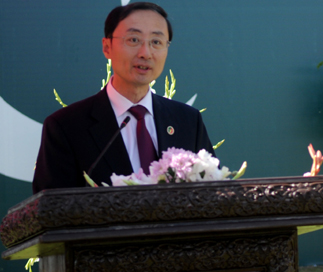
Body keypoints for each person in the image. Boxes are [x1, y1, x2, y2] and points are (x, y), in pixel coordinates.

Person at [32, 2, 215, 193]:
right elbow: (51, 210)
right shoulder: (66, 127)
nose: (145, 53)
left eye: (156, 42)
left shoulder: (188, 122)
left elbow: (212, 195)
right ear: (107, 47)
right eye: (134, 40)